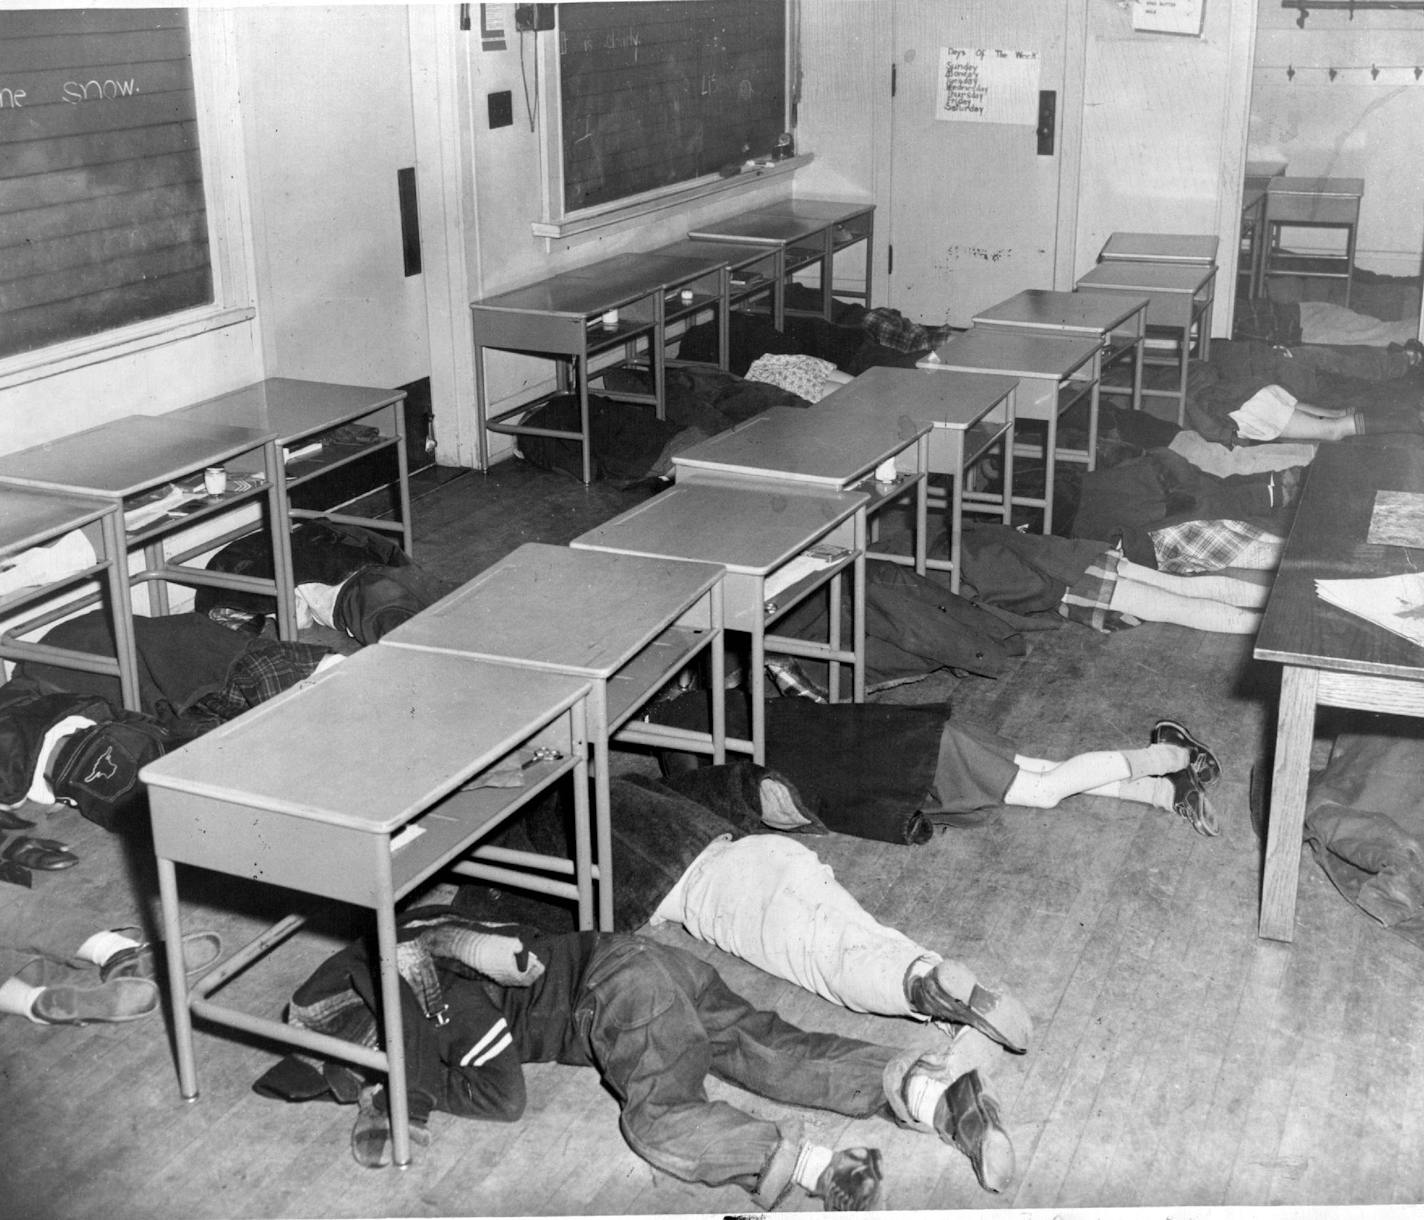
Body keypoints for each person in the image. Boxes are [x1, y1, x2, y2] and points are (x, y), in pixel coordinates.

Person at [259, 908, 1018, 1209]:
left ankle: (820, 1167)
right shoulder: (411, 971)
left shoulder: (436, 1003)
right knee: (762, 1045)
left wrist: (412, 1093)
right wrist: (398, 1077)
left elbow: (502, 1097)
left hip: (615, 990)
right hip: (639, 960)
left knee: (657, 1119)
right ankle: (932, 1092)